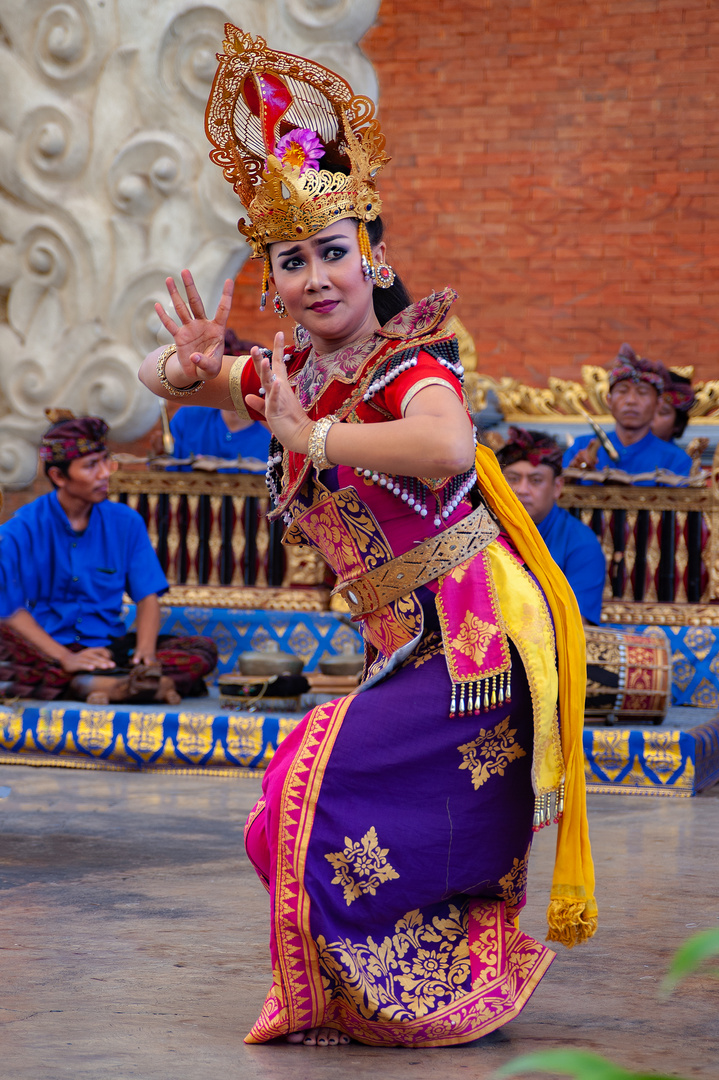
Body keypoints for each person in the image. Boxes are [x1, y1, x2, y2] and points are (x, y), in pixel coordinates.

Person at [139, 28, 595, 1049]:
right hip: (405, 650)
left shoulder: (404, 365)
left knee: (312, 774)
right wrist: (184, 369)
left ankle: (403, 988)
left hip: (471, 645)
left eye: (331, 253)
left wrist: (317, 435)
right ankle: (389, 982)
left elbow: (443, 447)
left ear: (370, 256)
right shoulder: (290, 372)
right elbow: (174, 381)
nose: (313, 279)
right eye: (289, 262)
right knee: (275, 813)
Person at [0, 415, 217, 704]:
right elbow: (10, 609)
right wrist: (66, 658)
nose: (105, 473)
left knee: (201, 650)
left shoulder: (126, 522)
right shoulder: (21, 528)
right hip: (49, 650)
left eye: (105, 460)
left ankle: (104, 683)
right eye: (91, 466)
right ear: (58, 477)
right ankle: (120, 686)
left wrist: (145, 654)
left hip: (109, 651)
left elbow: (147, 597)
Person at [497, 428, 606, 624]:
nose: (522, 490)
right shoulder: (480, 530)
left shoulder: (581, 543)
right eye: (513, 479)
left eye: (536, 480)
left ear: (557, 487)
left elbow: (576, 626)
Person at [563, 344, 692, 483]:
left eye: (642, 393)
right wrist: (571, 476)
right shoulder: (581, 447)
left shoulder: (676, 460)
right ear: (609, 400)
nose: (631, 400)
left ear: (658, 404)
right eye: (623, 391)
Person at [169, 332, 271, 470]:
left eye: (247, 383)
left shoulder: (267, 447)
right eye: (231, 380)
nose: (237, 390)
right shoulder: (187, 419)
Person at [651, 371, 695, 443]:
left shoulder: (675, 454)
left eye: (662, 412)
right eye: (648, 410)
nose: (650, 417)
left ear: (678, 425)